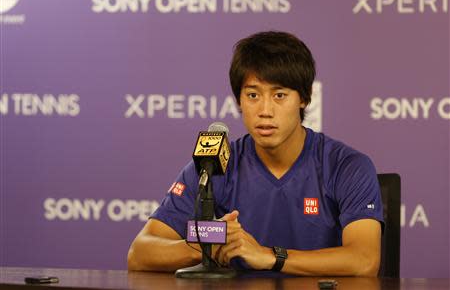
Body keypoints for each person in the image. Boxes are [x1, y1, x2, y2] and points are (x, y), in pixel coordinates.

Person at [127, 31, 383, 276]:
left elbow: (364, 259)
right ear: (239, 101)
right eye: (252, 95)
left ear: (304, 98)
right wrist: (209, 244)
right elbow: (140, 253)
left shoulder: (346, 166)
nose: (265, 110)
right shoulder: (214, 165)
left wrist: (269, 256)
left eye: (279, 95)